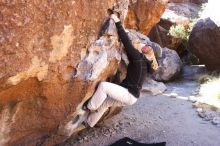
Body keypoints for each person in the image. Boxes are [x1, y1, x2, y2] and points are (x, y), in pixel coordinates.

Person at [73, 13, 160, 128]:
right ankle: (89, 123)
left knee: (104, 86)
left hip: (128, 94)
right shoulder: (145, 63)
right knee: (105, 103)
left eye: (148, 46)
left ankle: (89, 108)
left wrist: (117, 22)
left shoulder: (139, 58)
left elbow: (126, 42)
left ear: (149, 51)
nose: (145, 44)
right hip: (132, 96)